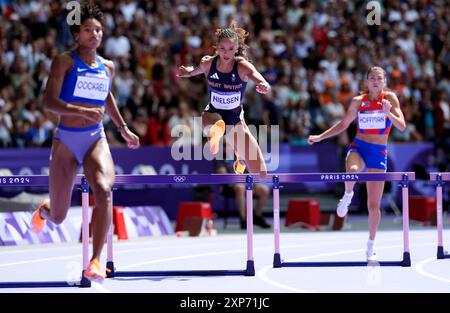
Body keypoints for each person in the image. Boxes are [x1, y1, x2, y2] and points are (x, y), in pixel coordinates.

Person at [30, 1, 140, 281]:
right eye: (88, 29)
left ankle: (95, 261)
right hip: (66, 140)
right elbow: (49, 102)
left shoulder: (108, 67)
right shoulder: (64, 61)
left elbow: (106, 97)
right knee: (59, 217)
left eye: (98, 30)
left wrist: (123, 128)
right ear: (77, 35)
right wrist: (80, 109)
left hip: (95, 138)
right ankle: (45, 209)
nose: (95, 34)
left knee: (103, 191)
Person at [308, 66, 406, 261]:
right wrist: (320, 137)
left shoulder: (390, 99)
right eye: (372, 78)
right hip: (359, 147)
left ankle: (370, 245)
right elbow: (344, 125)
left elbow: (402, 127)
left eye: (379, 78)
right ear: (366, 82)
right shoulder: (357, 101)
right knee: (352, 171)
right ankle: (347, 194)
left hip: (378, 153)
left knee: (373, 205)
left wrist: (388, 113)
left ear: (384, 82)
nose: (376, 81)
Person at [176, 21, 270, 179]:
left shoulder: (242, 66)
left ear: (237, 49)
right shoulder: (208, 63)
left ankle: (239, 156)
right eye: (222, 49)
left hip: (235, 120)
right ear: (216, 48)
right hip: (212, 114)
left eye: (231, 49)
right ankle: (215, 136)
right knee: (214, 122)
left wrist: (263, 84)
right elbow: (194, 70)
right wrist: (187, 72)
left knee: (261, 173)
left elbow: (257, 75)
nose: (226, 53)